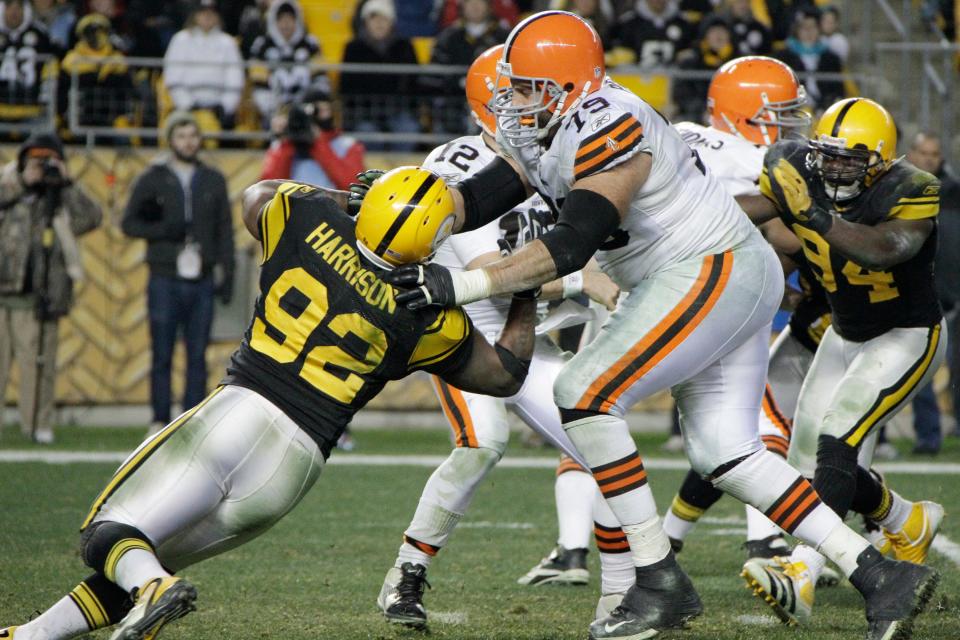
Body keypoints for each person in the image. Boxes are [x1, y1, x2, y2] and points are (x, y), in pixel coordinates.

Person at [381, 12, 939, 640]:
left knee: (583, 393)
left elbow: (572, 243)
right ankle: (882, 577)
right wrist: (417, 209)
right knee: (727, 452)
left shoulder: (611, 123)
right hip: (706, 275)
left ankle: (658, 580)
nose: (510, 100)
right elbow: (480, 196)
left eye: (526, 85)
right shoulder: (555, 122)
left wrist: (462, 283)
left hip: (710, 269)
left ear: (566, 87)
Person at [0, 167, 540, 640]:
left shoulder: (305, 218)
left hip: (240, 413)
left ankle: (155, 590)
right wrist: (525, 288)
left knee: (107, 536)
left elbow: (258, 194)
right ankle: (33, 635)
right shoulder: (430, 314)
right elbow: (505, 374)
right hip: (294, 469)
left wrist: (345, 198)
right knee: (144, 559)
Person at [376, 46, 621, 628]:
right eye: (515, 97)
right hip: (470, 331)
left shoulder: (551, 155)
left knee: (604, 443)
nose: (529, 108)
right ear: (489, 108)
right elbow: (490, 275)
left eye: (532, 95)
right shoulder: (456, 168)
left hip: (529, 329)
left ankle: (624, 590)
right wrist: (588, 281)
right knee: (482, 443)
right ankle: (404, 576)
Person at [736, 97, 946, 626]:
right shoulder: (799, 164)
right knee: (813, 460)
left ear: (879, 161)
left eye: (849, 160)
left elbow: (883, 248)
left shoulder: (913, 187)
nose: (833, 168)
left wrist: (811, 212)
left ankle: (802, 570)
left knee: (837, 439)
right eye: (827, 156)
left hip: (905, 334)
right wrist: (690, 218)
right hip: (843, 333)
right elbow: (758, 211)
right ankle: (907, 519)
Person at [121, 111, 235, 435]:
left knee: (198, 353)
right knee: (162, 351)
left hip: (201, 277)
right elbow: (129, 223)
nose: (189, 142)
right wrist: (162, 230)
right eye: (182, 135)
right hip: (164, 276)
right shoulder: (154, 177)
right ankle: (159, 418)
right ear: (170, 139)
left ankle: (192, 419)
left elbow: (224, 229)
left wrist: (227, 272)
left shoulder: (213, 179)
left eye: (193, 135)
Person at [0, 133, 101, 444]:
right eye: (36, 161)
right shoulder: (8, 183)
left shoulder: (60, 196)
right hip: (4, 291)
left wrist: (67, 183)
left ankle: (37, 424)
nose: (42, 168)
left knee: (39, 366)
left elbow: (91, 217)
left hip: (42, 295)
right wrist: (21, 181)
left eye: (48, 161)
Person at [906, 131, 960, 453]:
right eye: (923, 152)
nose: (929, 159)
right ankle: (927, 438)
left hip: (952, 293)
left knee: (955, 366)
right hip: (914, 295)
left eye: (935, 153)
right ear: (911, 154)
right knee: (920, 369)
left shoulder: (954, 193)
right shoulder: (898, 191)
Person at [339, 0, 421, 152]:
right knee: (366, 134)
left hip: (398, 110)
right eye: (374, 18)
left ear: (392, 22)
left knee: (408, 129)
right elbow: (346, 87)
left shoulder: (405, 46)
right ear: (365, 22)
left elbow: (414, 83)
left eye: (384, 18)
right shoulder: (353, 48)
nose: (379, 23)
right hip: (364, 114)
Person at [424, 0, 510, 134]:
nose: (475, 6)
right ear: (462, 7)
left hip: (494, 101)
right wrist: (458, 81)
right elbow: (435, 72)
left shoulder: (503, 35)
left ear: (489, 6)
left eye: (480, 2)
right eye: (470, 2)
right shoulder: (448, 36)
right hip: (453, 101)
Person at [260, 87, 365, 190]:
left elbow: (353, 187)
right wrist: (287, 141)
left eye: (324, 110)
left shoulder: (347, 145)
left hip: (332, 206)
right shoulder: (283, 145)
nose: (319, 116)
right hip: (293, 206)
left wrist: (318, 142)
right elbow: (269, 189)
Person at [162, 0, 244, 130]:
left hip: (220, 110)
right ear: (195, 15)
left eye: (211, 12)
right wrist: (187, 105)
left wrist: (225, 107)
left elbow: (235, 81)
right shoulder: (180, 40)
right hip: (186, 109)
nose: (207, 16)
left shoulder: (228, 43)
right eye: (203, 12)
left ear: (218, 16)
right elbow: (172, 79)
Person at [248, 0, 328, 128]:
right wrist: (274, 109)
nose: (286, 25)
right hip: (273, 109)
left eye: (290, 19)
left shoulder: (311, 44)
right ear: (274, 21)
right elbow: (259, 84)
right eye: (281, 20)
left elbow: (320, 81)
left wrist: (307, 106)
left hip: (306, 108)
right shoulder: (262, 45)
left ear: (297, 21)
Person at [774, 8, 844, 110]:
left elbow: (838, 92)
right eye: (804, 27)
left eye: (812, 27)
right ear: (796, 30)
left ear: (819, 29)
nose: (808, 32)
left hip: (823, 111)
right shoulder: (783, 58)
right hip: (792, 111)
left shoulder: (831, 59)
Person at [0, 0, 57, 124]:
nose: (14, 12)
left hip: (31, 109)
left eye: (19, 6)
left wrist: (45, 100)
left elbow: (50, 68)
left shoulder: (40, 34)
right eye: (9, 6)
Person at [672, 16, 736, 122]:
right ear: (705, 36)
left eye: (722, 31)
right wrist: (703, 111)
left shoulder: (737, 62)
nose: (718, 35)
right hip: (696, 117)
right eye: (713, 31)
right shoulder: (691, 62)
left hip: (731, 116)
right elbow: (682, 94)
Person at [611, 0, 696, 68]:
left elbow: (690, 49)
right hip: (636, 80)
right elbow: (620, 51)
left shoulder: (683, 23)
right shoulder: (629, 23)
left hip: (674, 81)